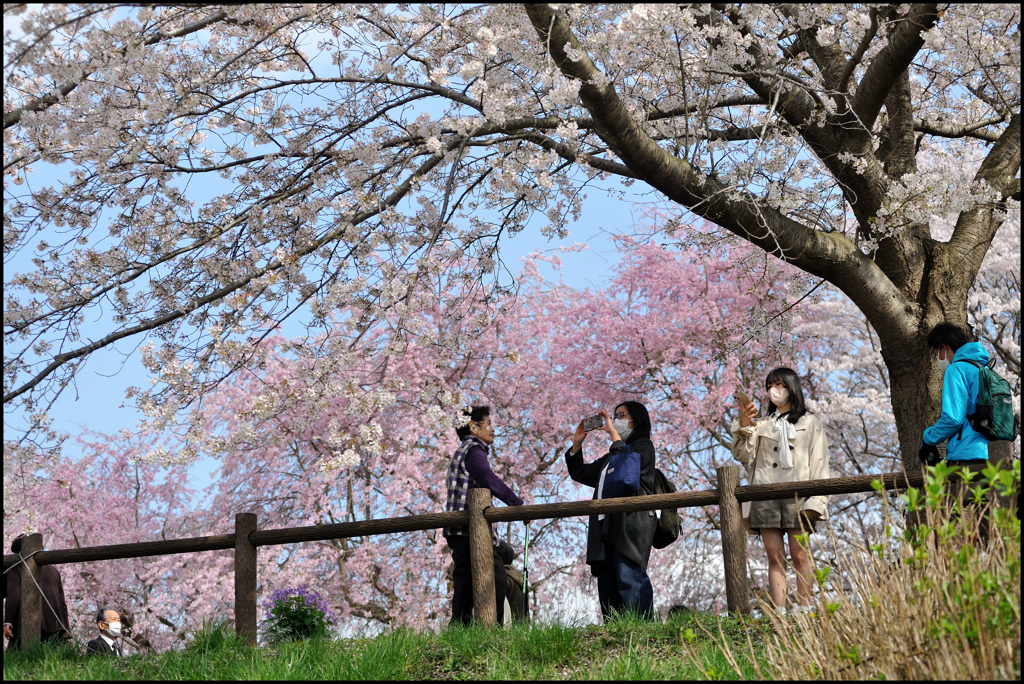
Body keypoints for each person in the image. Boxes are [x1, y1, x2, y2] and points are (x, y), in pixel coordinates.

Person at [731, 368, 830, 614]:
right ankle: (779, 611)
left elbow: (820, 465)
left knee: (800, 555)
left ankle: (806, 608)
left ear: (792, 387)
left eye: (779, 384)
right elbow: (743, 456)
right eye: (770, 385)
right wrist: (744, 425)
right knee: (774, 556)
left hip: (799, 494)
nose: (774, 390)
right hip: (765, 494)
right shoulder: (761, 424)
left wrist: (817, 502)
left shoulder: (811, 423)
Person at [566, 401, 657, 621]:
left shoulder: (643, 447)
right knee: (608, 582)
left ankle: (642, 633)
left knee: (629, 577)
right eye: (614, 416)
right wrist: (577, 444)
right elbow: (581, 473)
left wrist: (614, 434)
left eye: (621, 416)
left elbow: (628, 464)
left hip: (630, 524)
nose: (614, 420)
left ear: (636, 420)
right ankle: (616, 636)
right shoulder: (610, 458)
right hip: (605, 526)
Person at [442, 405, 524, 626]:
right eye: (488, 424)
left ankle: (460, 629)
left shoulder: (462, 451)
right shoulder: (473, 450)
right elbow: (490, 480)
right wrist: (517, 505)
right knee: (494, 578)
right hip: (470, 530)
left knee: (465, 582)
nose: (493, 429)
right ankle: (491, 629)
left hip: (460, 530)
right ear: (474, 427)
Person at [919, 323, 992, 466]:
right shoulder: (987, 370)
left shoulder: (956, 369)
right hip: (994, 456)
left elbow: (953, 419)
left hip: (967, 457)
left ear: (943, 347)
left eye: (936, 355)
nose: (938, 360)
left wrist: (928, 439)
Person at [3, 534, 73, 649]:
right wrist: (66, 630)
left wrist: (8, 622)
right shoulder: (53, 571)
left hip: (26, 628)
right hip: (55, 628)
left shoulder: (15, 568)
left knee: (20, 661)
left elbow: (14, 595)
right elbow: (62, 603)